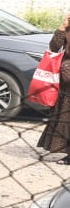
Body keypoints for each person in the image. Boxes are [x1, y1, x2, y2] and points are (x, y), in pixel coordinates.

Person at [38, 12, 70, 164]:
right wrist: (62, 27)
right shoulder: (67, 28)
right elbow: (54, 47)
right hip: (66, 81)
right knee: (65, 117)